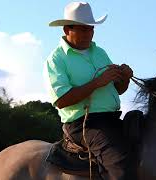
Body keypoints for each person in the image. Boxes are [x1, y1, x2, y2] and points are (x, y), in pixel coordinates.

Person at [44, 2, 134, 180]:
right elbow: (61, 99)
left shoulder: (99, 52)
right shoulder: (56, 59)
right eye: (83, 29)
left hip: (112, 119)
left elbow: (117, 90)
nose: (89, 34)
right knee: (120, 166)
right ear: (66, 29)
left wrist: (125, 78)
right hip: (84, 124)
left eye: (91, 29)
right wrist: (97, 83)